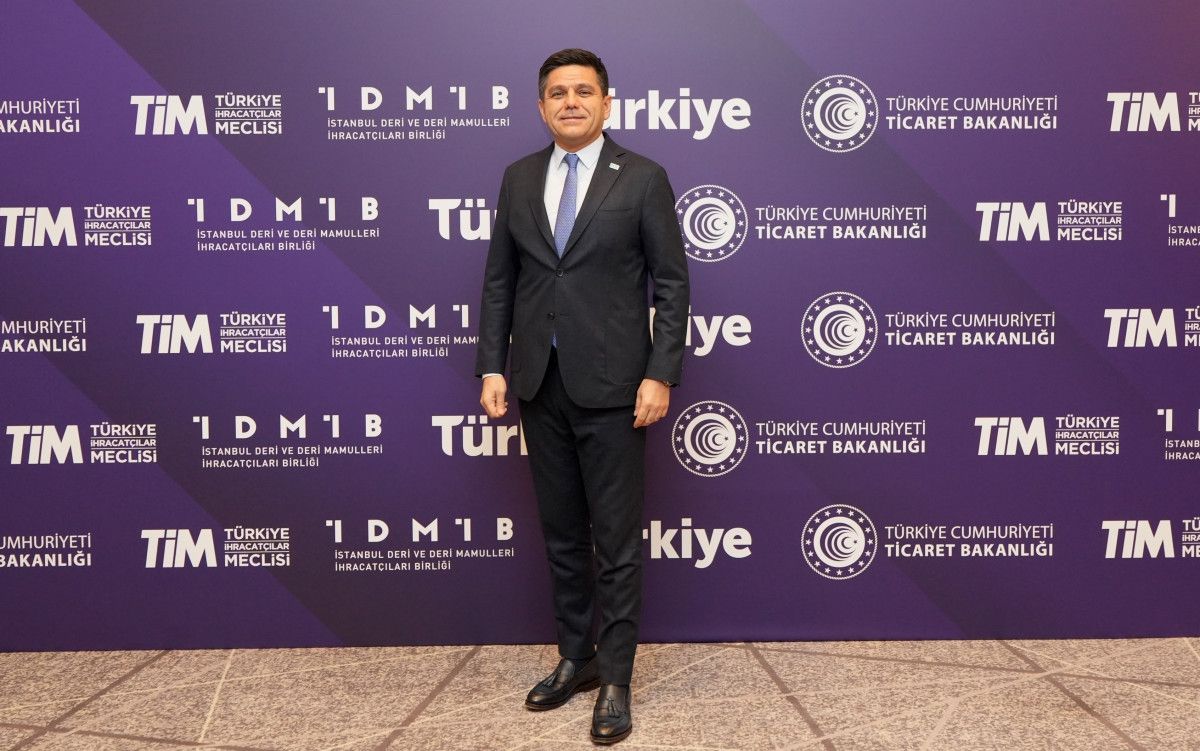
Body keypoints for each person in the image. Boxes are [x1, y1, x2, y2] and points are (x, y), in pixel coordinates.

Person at [475, 48, 689, 745]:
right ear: (541, 107)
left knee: (616, 542)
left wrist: (660, 373)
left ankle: (617, 678)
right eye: (559, 93)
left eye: (584, 91)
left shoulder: (644, 177)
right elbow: (501, 281)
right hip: (539, 383)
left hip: (618, 388)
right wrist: (493, 366)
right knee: (563, 534)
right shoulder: (519, 176)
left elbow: (671, 284)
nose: (571, 101)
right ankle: (578, 657)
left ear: (607, 103)